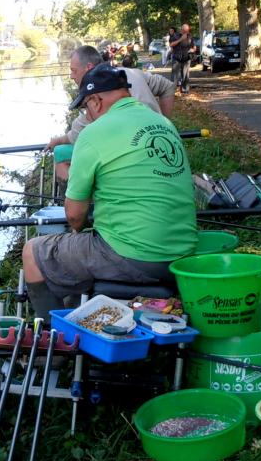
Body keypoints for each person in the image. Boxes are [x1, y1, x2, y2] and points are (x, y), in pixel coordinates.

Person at [22, 65, 198, 318]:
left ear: (95, 101)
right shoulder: (164, 123)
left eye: (85, 108)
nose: (87, 115)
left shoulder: (94, 134)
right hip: (184, 254)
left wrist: (80, 227)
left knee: (33, 251)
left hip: (135, 256)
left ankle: (55, 343)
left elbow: (74, 215)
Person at [47, 45, 175, 179]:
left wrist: (58, 141)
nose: (72, 76)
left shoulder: (95, 95)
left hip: (134, 164)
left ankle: (86, 192)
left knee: (62, 154)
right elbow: (168, 87)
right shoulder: (131, 73)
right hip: (164, 147)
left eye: (74, 70)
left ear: (89, 67)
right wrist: (164, 125)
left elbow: (76, 135)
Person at [169, 23, 195, 94]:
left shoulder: (190, 36)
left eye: (188, 31)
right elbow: (171, 44)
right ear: (182, 30)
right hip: (177, 58)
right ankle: (171, 91)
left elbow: (193, 46)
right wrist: (180, 39)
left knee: (185, 75)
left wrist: (193, 50)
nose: (187, 32)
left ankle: (185, 90)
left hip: (186, 58)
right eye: (185, 31)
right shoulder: (175, 35)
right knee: (174, 75)